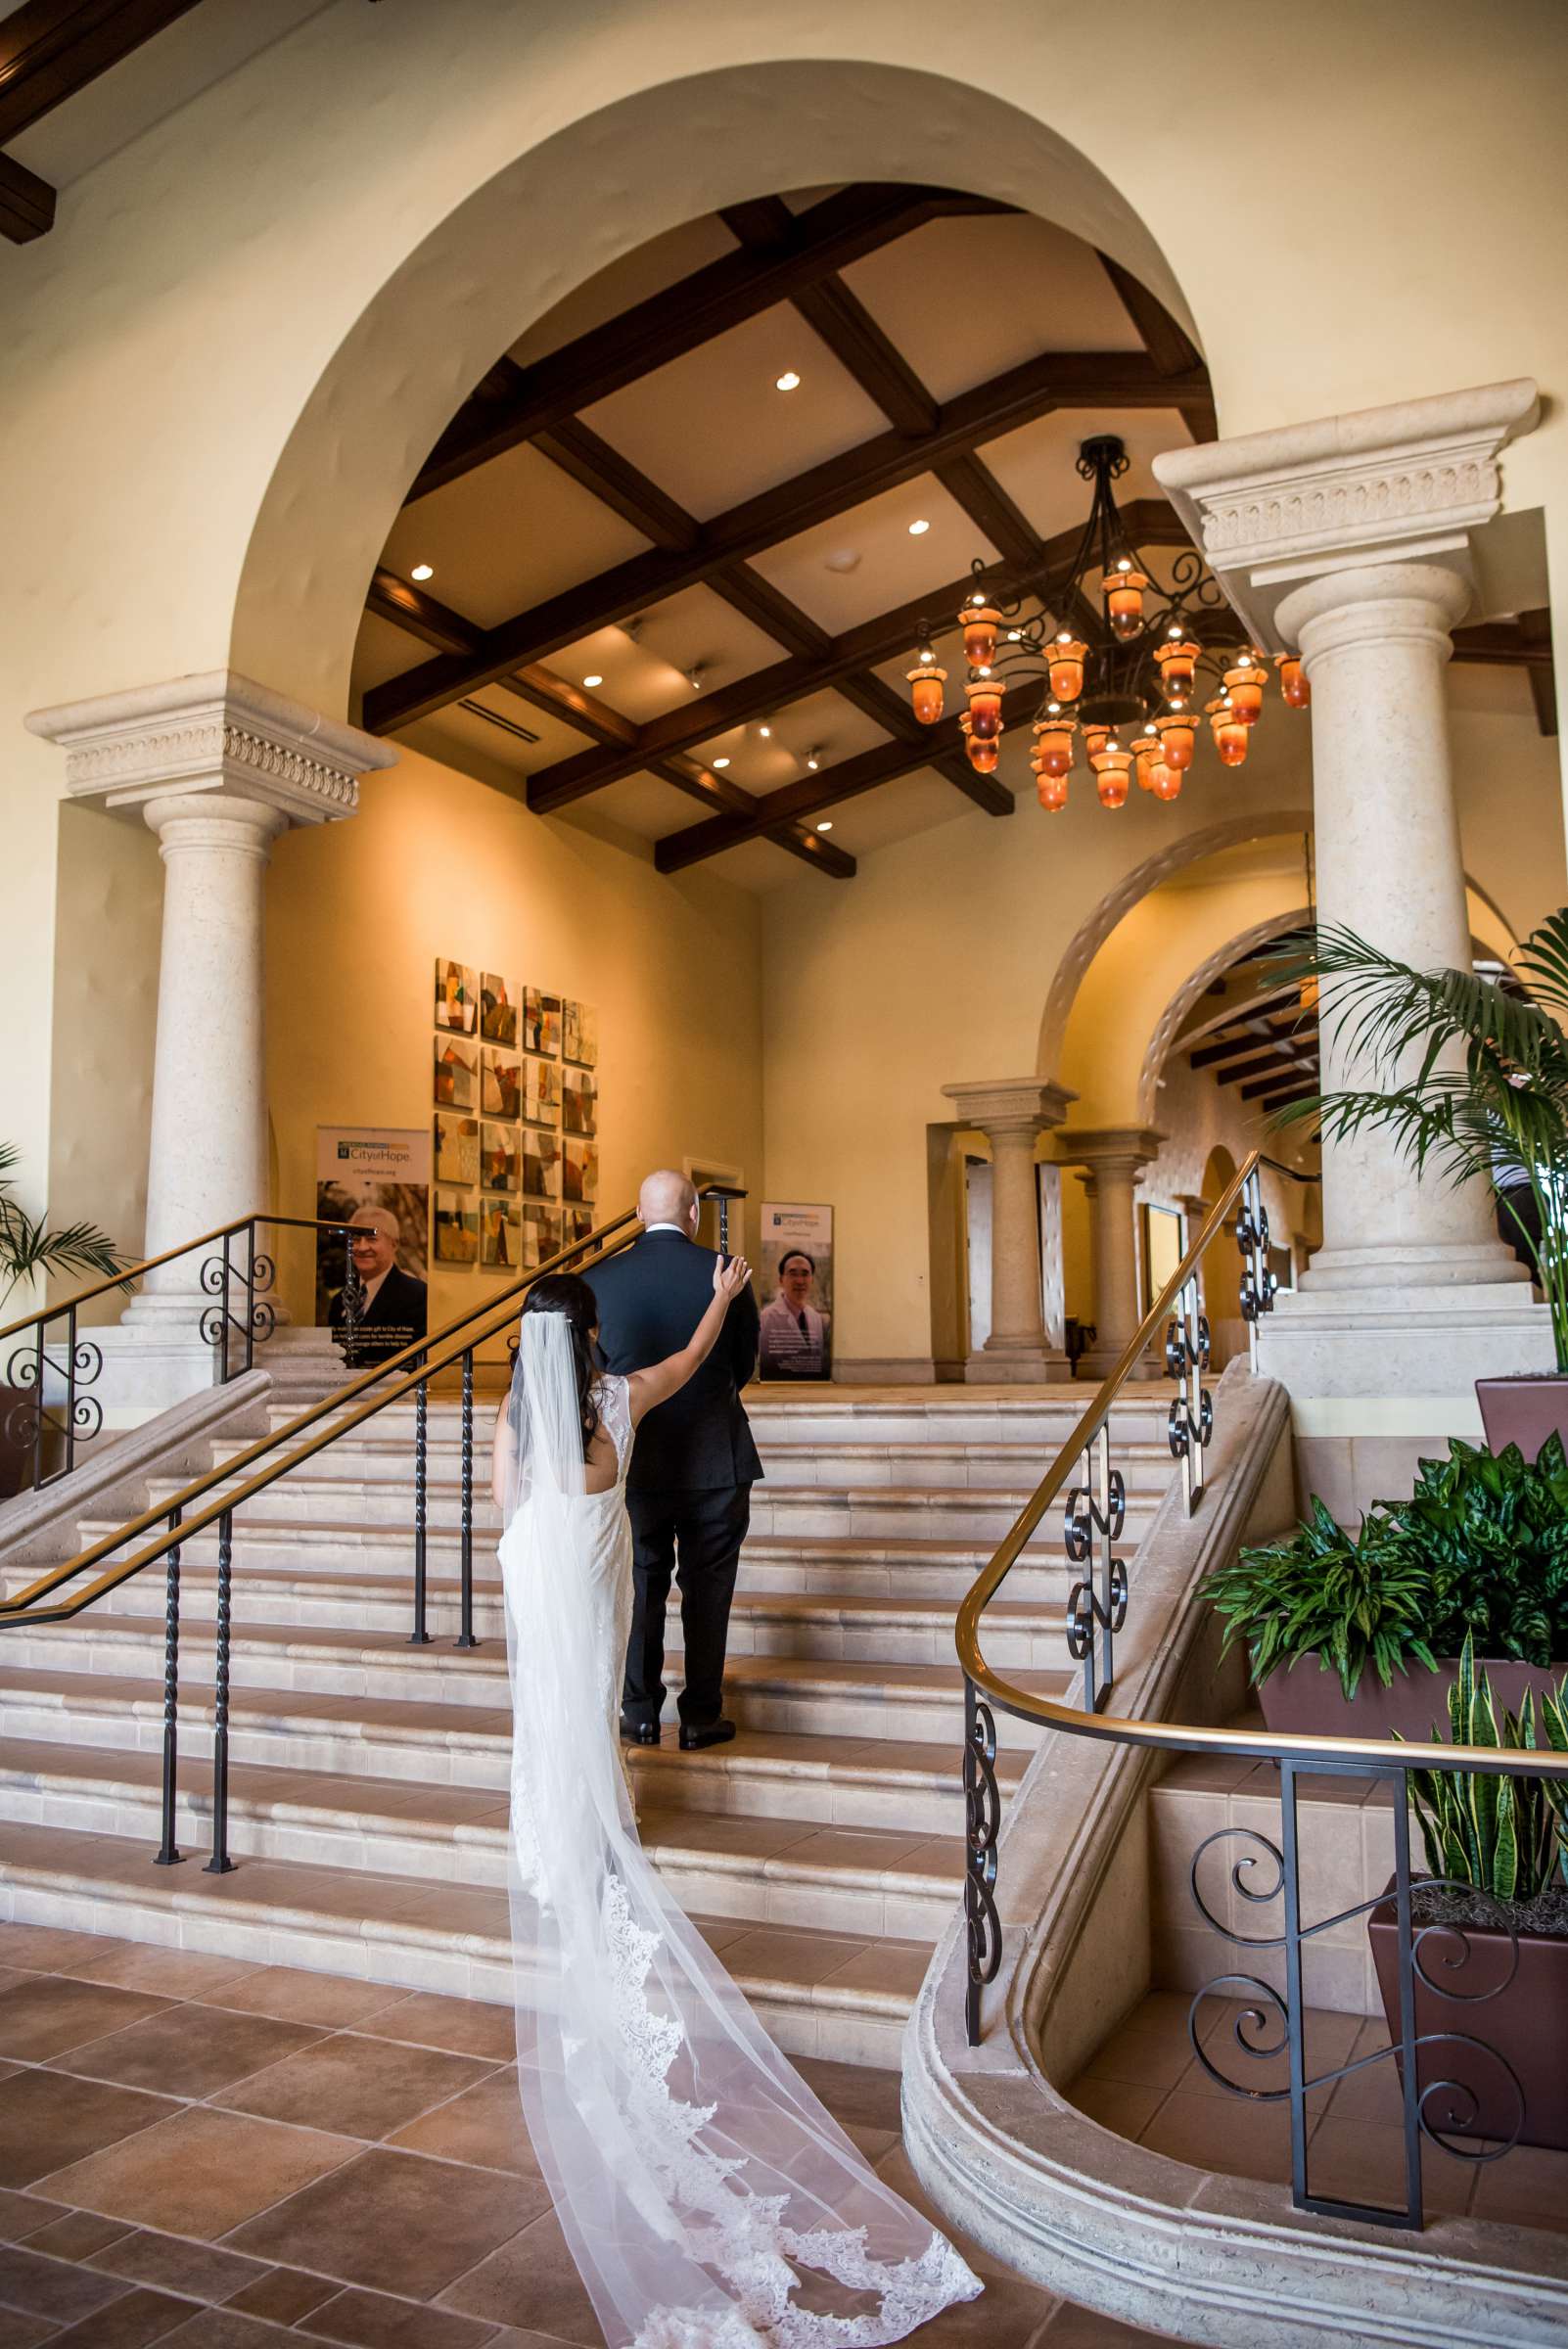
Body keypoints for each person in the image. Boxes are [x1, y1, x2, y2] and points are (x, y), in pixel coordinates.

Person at [488, 1270, 981, 2348]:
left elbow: (506, 1522)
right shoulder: (616, 1404)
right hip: (586, 1562)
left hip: (541, 1571)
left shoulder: (515, 1423)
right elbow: (690, 1358)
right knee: (584, 1700)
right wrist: (725, 1297)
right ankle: (590, 1811)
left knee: (554, 1713)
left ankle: (566, 1830)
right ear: (595, 1337)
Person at [584, 1171, 761, 1751]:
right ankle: (700, 1715)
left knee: (640, 1582)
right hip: (715, 1455)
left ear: (637, 1214)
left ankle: (638, 1711)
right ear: (694, 1216)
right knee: (709, 1587)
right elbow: (742, 1365)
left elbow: (594, 1373)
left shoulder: (598, 1280)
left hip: (634, 1459)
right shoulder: (726, 1274)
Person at [329, 1206, 428, 1365]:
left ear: (394, 1245)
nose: (361, 1247)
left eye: (371, 1239)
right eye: (355, 1239)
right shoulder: (338, 1301)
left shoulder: (418, 1296)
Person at [759, 1246, 831, 1378]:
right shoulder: (766, 1318)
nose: (799, 1281)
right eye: (793, 1273)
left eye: (805, 1274)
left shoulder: (816, 1318)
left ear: (812, 1279)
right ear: (781, 1280)